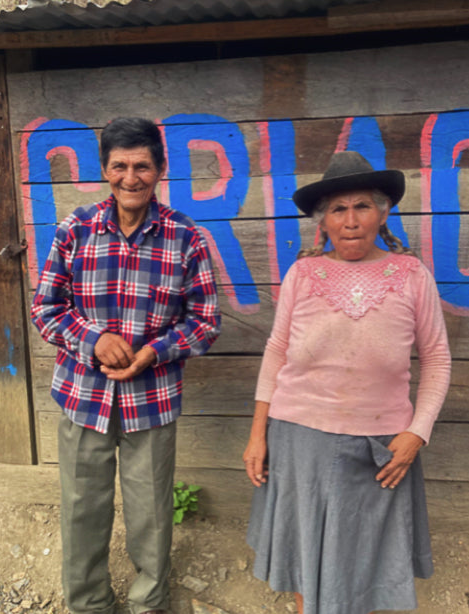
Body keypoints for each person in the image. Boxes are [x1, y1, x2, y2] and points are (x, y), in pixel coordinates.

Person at [243, 151, 451, 614]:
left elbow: (437, 358)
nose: (351, 220)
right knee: (304, 558)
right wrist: (258, 434)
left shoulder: (412, 275)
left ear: (384, 212)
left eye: (362, 206)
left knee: (360, 563)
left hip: (380, 447)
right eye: (338, 209)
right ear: (323, 221)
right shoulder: (302, 274)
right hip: (298, 439)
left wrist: (417, 432)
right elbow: (276, 351)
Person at [31, 117, 221, 614]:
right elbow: (45, 308)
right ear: (104, 170)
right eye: (120, 166)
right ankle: (89, 603)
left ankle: (146, 603)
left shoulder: (186, 237)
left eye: (142, 166)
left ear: (159, 169)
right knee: (80, 508)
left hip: (151, 400)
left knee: (151, 513)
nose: (130, 177)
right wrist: (92, 340)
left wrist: (155, 351)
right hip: (82, 397)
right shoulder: (76, 229)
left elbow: (205, 321)